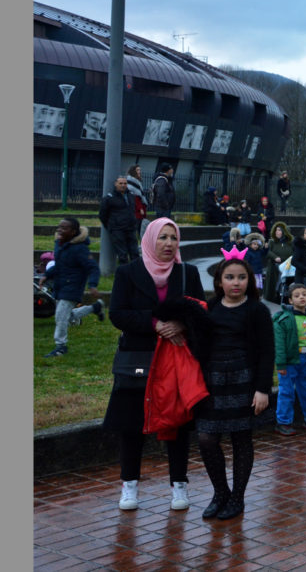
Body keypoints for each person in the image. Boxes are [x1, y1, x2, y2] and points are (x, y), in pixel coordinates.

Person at [102, 217, 203, 511]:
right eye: (163, 237)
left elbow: (199, 309)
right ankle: (129, 486)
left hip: (175, 359)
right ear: (149, 240)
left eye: (173, 238)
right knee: (131, 425)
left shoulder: (188, 273)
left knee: (177, 424)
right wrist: (155, 323)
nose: (169, 244)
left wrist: (180, 324)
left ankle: (179, 485)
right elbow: (118, 314)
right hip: (138, 359)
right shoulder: (127, 273)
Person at [196, 256, 275, 520]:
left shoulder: (257, 310)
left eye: (241, 277)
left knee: (241, 438)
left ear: (249, 280)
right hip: (213, 382)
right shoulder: (210, 307)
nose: (236, 282)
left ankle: (237, 498)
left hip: (244, 381)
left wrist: (262, 389)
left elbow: (267, 352)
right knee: (207, 438)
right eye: (229, 277)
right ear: (219, 281)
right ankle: (220, 493)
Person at [40, 218, 104, 357]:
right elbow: (60, 265)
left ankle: (60, 346)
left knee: (60, 316)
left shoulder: (80, 249)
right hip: (60, 286)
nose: (60, 230)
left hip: (73, 287)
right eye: (60, 227)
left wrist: (92, 285)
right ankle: (95, 308)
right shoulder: (60, 245)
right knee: (68, 316)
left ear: (73, 232)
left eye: (65, 228)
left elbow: (93, 268)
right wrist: (46, 275)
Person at [271, 283, 306, 436]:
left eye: (304, 294)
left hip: (305, 359)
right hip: (289, 361)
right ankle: (283, 422)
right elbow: (279, 344)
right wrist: (280, 363)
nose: (301, 297)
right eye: (297, 295)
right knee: (286, 391)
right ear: (290, 300)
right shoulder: (284, 319)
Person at [99, 176, 139, 266]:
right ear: (115, 184)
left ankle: (136, 274)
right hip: (118, 230)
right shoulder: (109, 198)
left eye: (125, 183)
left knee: (135, 253)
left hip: (130, 228)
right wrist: (111, 226)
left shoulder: (131, 196)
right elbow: (102, 215)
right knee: (122, 255)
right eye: (120, 183)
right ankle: (125, 276)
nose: (123, 185)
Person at [264, 221, 293, 304]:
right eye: (276, 230)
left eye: (279, 230)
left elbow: (294, 252)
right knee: (275, 282)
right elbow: (268, 252)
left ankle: (285, 297)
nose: (277, 232)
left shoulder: (290, 242)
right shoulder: (272, 242)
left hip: (287, 266)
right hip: (274, 266)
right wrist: (275, 257)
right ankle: (273, 297)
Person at [125, 164, 149, 240]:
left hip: (139, 208)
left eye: (140, 170)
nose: (139, 172)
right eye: (138, 170)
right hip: (136, 210)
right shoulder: (131, 181)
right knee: (138, 227)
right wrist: (140, 208)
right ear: (133, 171)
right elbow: (135, 197)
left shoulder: (136, 181)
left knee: (141, 227)